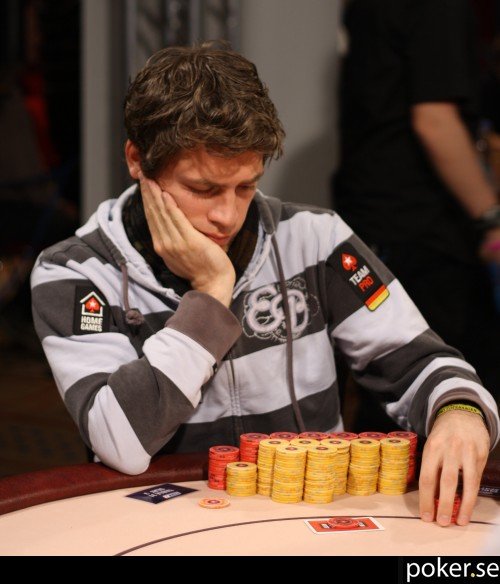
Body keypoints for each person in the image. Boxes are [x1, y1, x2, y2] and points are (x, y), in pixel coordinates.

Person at [31, 42, 498, 528]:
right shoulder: (75, 272)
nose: (227, 215)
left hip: (304, 523)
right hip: (165, 530)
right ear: (137, 159)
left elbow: (419, 362)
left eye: (246, 186)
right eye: (202, 189)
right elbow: (121, 442)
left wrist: (460, 411)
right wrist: (211, 292)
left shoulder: (317, 239)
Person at [333, 0, 500, 433]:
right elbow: (434, 120)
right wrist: (491, 219)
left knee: (387, 396)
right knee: (438, 393)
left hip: (376, 218)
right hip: (419, 231)